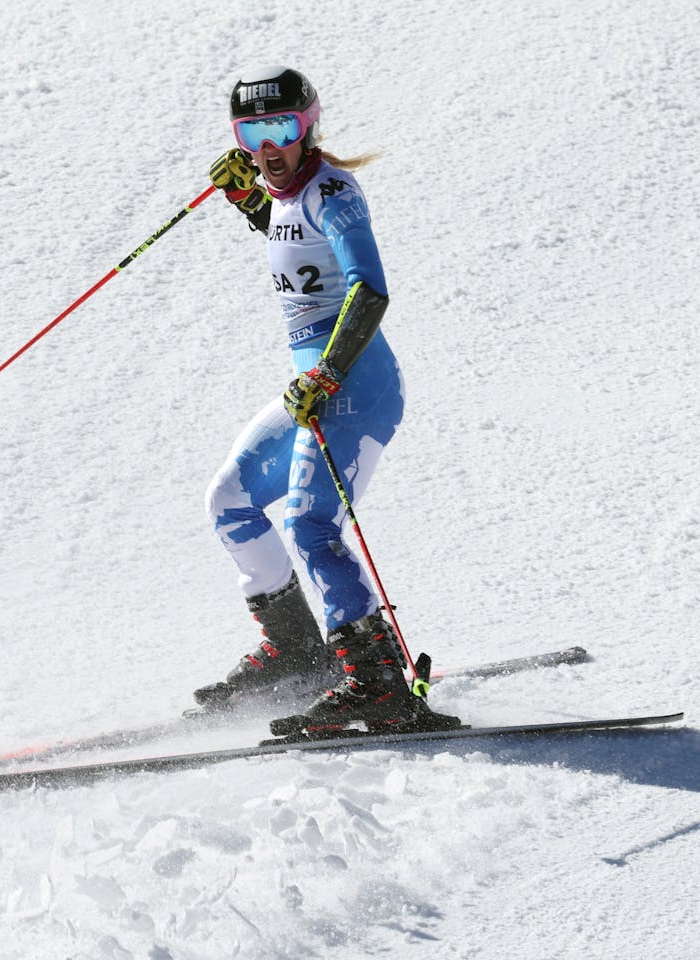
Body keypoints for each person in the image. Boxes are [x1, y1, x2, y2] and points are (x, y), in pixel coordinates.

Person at [195, 66, 435, 734]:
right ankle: (301, 653)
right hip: (316, 392)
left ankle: (379, 683)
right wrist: (249, 206)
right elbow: (294, 244)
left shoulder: (334, 192)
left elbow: (369, 289)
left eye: (282, 127)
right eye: (252, 131)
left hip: (354, 389)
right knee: (231, 501)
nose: (268, 145)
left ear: (309, 126)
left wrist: (326, 374)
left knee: (309, 523)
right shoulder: (287, 195)